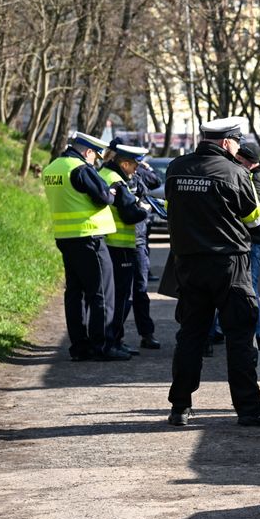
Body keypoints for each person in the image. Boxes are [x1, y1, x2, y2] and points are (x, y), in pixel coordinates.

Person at [163, 117, 260, 428]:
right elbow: (256, 221)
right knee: (240, 338)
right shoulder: (236, 172)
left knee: (190, 336)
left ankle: (180, 407)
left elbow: (170, 210)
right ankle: (249, 409)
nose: (239, 147)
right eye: (237, 142)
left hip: (187, 265)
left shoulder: (176, 168)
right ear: (227, 142)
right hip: (229, 266)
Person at [42, 132, 130, 362]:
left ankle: (80, 347)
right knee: (102, 293)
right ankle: (103, 346)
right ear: (88, 151)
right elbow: (104, 196)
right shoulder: (79, 168)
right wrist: (110, 193)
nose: (95, 162)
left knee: (75, 294)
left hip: (65, 237)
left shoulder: (53, 167)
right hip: (89, 236)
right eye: (95, 157)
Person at [99, 142, 152, 356]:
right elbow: (130, 214)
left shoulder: (104, 173)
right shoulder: (116, 180)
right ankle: (112, 342)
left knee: (114, 296)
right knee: (121, 297)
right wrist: (144, 210)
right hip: (119, 244)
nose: (137, 170)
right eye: (135, 166)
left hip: (110, 243)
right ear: (125, 163)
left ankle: (116, 340)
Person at [234, 141, 260, 351]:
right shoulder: (252, 175)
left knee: (250, 287)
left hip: (253, 240)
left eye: (238, 160)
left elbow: (259, 205)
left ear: (246, 161)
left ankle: (256, 335)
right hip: (245, 239)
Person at [129, 154, 163, 349]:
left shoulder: (135, 175)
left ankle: (146, 334)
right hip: (123, 242)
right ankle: (114, 336)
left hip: (138, 240)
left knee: (140, 290)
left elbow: (155, 181)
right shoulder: (114, 177)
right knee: (124, 293)